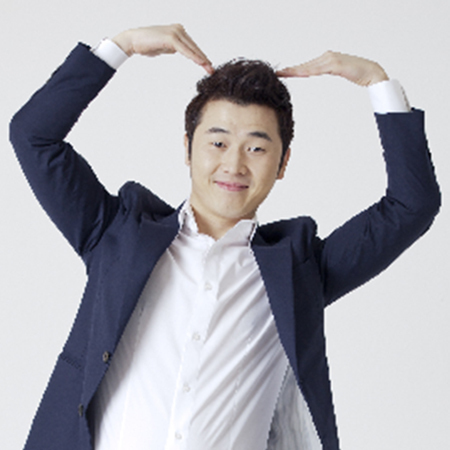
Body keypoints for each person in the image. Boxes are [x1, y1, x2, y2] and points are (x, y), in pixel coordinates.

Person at [10, 24, 440, 450]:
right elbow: (34, 136)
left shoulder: (298, 272)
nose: (234, 165)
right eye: (218, 143)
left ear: (283, 163)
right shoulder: (117, 234)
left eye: (256, 148)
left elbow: (412, 205)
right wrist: (121, 47)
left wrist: (378, 84)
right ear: (187, 147)